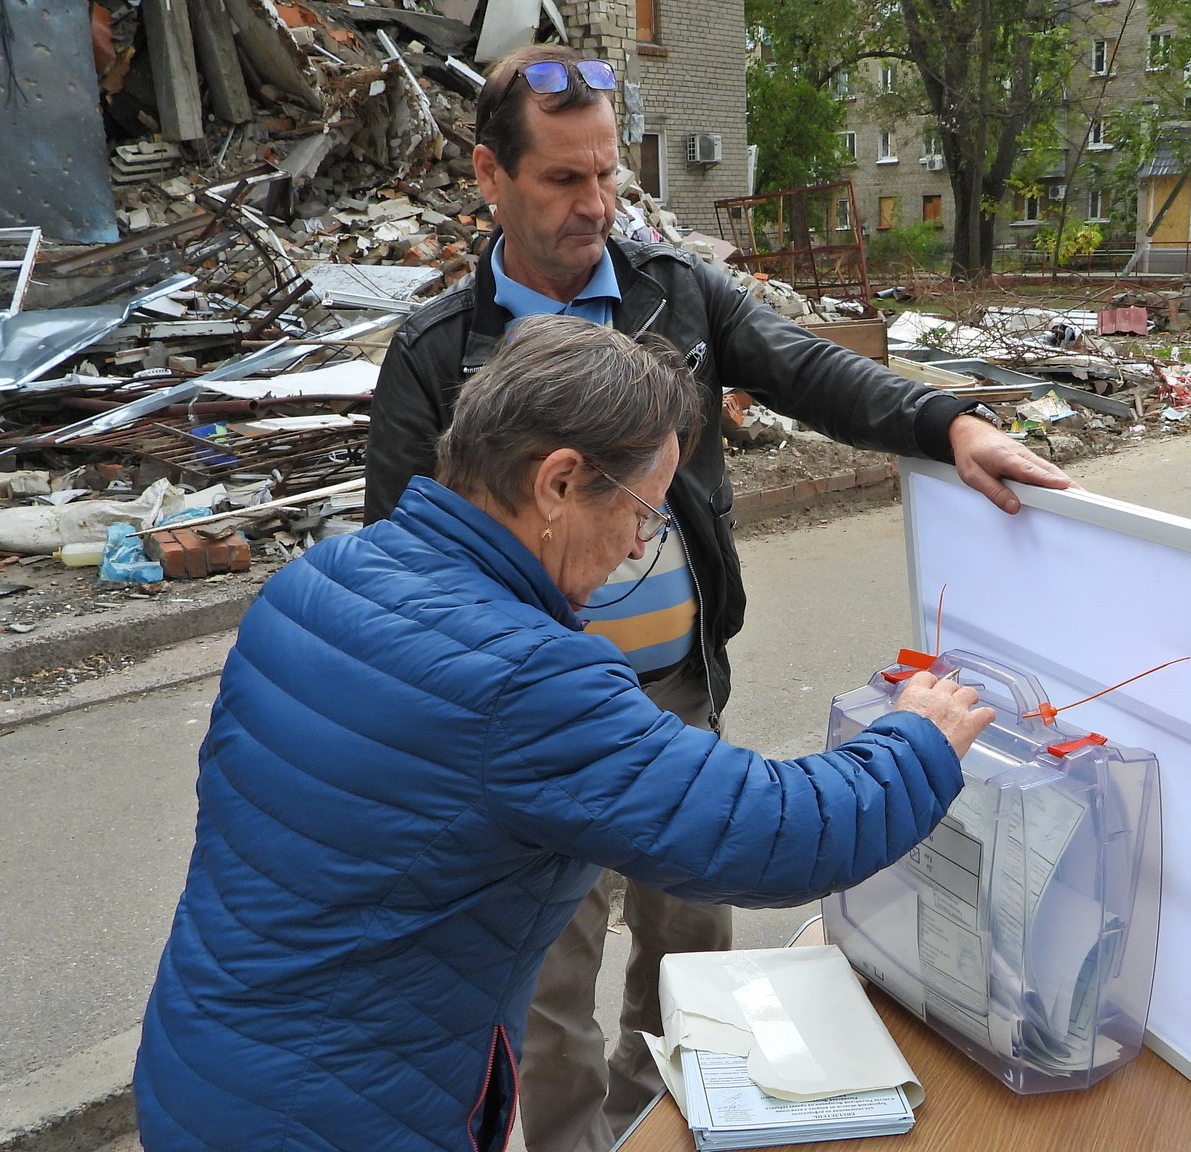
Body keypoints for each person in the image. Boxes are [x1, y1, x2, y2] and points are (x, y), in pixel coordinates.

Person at [361, 44, 1071, 1152]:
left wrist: (951, 423)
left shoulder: (671, 292)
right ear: (489, 178)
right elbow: (399, 562)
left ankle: (677, 1132)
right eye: (562, 179)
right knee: (549, 1006)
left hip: (675, 705)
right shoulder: (435, 351)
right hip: (532, 731)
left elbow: (809, 368)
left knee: (693, 973)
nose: (595, 205)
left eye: (607, 174)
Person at [133, 317, 995, 1152]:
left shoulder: (317, 582)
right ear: (557, 483)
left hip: (206, 1064)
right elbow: (773, 831)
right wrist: (917, 739)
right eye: (642, 513)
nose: (634, 548)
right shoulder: (527, 678)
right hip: (341, 1116)